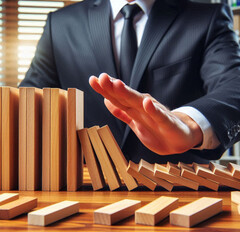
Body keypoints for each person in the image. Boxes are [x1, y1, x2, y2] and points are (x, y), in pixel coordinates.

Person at [19, 0, 240, 164]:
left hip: (181, 191)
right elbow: (26, 102)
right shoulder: (60, 24)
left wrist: (190, 124)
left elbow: (234, 84)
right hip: (84, 191)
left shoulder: (206, 17)